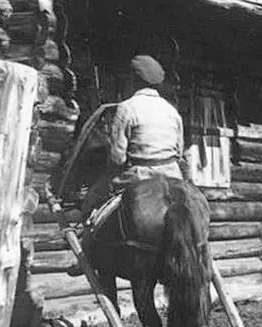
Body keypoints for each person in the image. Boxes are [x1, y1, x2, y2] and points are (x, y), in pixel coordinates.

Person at [75, 54, 185, 233]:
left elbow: (117, 157)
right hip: (173, 175)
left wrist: (110, 174)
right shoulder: (172, 111)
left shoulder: (127, 107)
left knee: (93, 198)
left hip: (140, 175)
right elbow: (179, 152)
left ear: (134, 80)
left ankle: (88, 232)